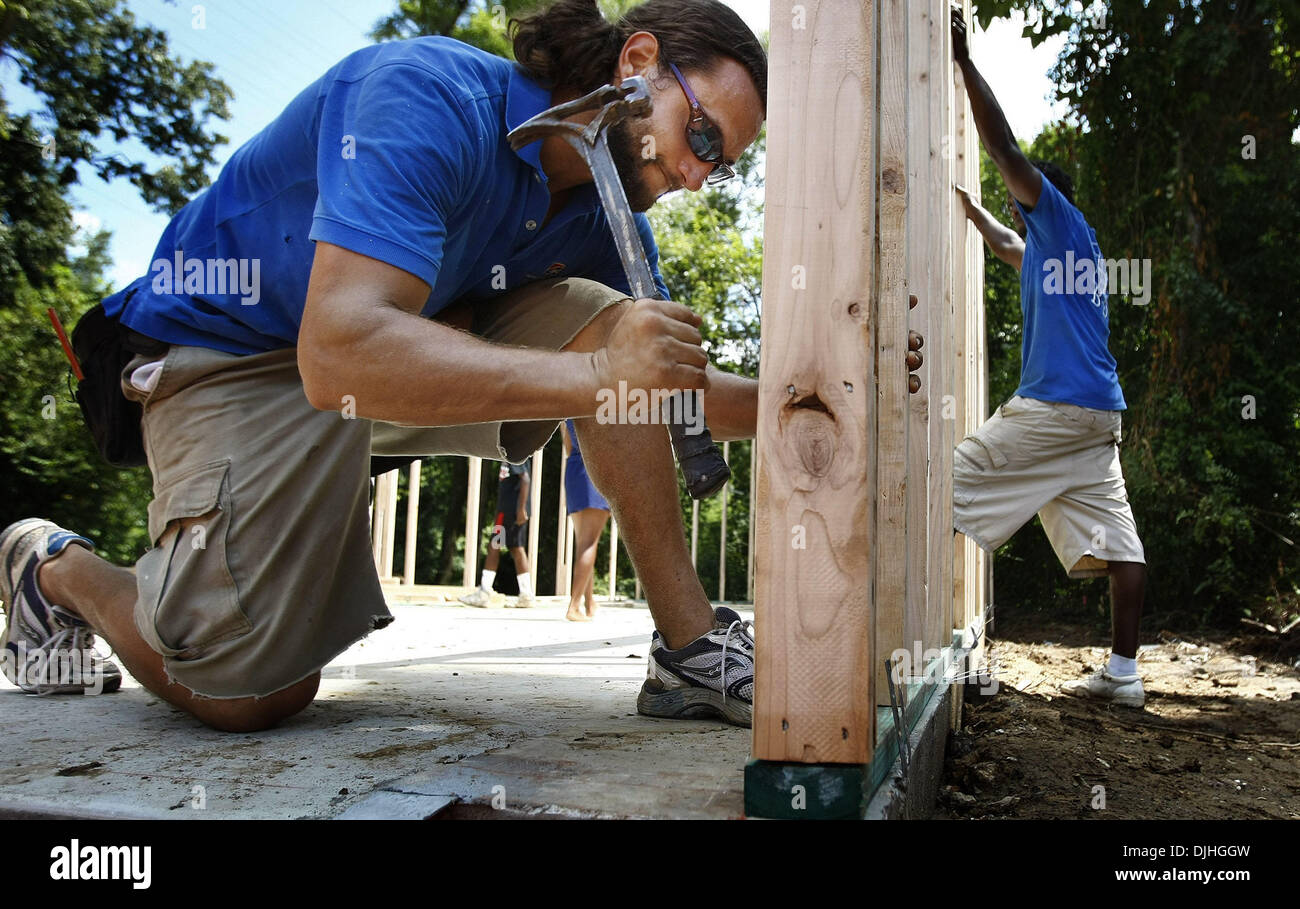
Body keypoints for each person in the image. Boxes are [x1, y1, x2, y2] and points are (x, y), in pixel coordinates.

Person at [0, 0, 774, 731]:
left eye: (725, 165)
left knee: (631, 330)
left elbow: (671, 388)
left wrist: (809, 400)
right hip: (226, 351)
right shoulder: (425, 98)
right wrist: (604, 377)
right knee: (246, 690)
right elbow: (339, 350)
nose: (699, 175)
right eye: (702, 138)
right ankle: (54, 568)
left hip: (375, 361)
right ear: (638, 61)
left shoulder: (605, 217)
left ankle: (689, 649)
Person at [950, 11, 1147, 708]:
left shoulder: (1060, 218)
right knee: (1123, 548)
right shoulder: (1064, 253)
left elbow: (1003, 146)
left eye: (1021, 197)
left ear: (1046, 196)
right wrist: (974, 213)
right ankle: (1124, 674)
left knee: (950, 481)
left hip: (1059, 408)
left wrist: (966, 66)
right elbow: (1010, 246)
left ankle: (907, 634)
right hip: (1099, 419)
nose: (1016, 202)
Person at [459, 461, 535, 608]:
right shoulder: (511, 453)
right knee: (510, 547)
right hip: (508, 511)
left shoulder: (514, 452)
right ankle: (525, 594)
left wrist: (521, 509)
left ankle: (485, 592)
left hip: (510, 512)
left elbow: (525, 479)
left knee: (498, 546)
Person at [560, 419, 611, 622]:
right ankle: (573, 606)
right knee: (589, 543)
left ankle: (589, 603)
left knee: (582, 541)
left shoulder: (572, 408)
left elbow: (568, 445)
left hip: (573, 471)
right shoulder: (609, 408)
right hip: (594, 473)